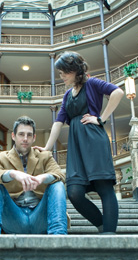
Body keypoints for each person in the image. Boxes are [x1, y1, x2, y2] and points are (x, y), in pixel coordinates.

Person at [36, 51, 124, 234]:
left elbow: (117, 92)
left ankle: (109, 234)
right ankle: (103, 225)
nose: (61, 77)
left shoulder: (92, 83)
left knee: (104, 188)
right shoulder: (67, 95)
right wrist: (47, 148)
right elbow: (58, 122)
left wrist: (101, 118)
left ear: (75, 70)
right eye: (60, 73)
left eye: (64, 73)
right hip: (76, 147)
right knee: (74, 193)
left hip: (94, 140)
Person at [0, 116, 68, 235]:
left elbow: (60, 175)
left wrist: (42, 177)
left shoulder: (45, 156)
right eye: (21, 134)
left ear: (34, 138)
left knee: (58, 185)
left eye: (29, 135)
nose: (25, 138)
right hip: (14, 218)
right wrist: (13, 173)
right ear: (13, 136)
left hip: (40, 217)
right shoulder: (1, 157)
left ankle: (59, 237)